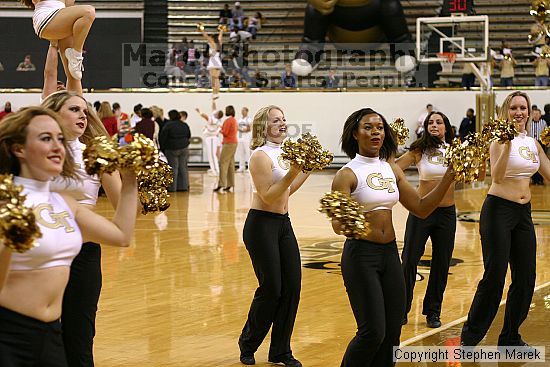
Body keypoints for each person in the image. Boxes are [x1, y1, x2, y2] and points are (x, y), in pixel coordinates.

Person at [0, 106, 136, 367]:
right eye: (45, 138)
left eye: (60, 139)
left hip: (50, 335)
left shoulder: (63, 202)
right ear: (19, 149)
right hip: (8, 334)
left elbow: (121, 236)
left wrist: (129, 181)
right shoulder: (6, 200)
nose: (58, 146)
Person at [330, 108, 454, 366]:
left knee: (393, 332)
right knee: (372, 333)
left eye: (379, 127)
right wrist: (346, 217)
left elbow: (420, 207)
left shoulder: (391, 169)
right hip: (361, 256)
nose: (375, 132)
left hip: (389, 255)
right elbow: (337, 226)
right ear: (354, 133)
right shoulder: (346, 174)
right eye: (368, 127)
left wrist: (448, 177)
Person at [461, 91, 550, 347]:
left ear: (530, 112)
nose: (519, 112)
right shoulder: (498, 141)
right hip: (498, 210)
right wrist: (509, 141)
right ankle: (470, 339)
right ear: (505, 112)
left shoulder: (534, 144)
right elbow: (497, 177)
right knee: (495, 276)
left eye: (523, 107)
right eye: (514, 108)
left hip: (524, 213)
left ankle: (510, 336)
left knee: (526, 278)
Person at [41, 90, 123, 367]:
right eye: (75, 109)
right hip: (41, 252)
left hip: (83, 252)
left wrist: (138, 182)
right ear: (53, 113)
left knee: (80, 332)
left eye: (85, 111)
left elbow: (124, 211)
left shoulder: (96, 154)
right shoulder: (34, 150)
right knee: (41, 330)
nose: (84, 116)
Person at [238, 105, 312, 367]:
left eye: (284, 119)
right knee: (271, 289)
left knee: (292, 288)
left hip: (283, 223)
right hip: (261, 226)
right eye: (276, 120)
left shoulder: (284, 152)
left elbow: (286, 191)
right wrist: (294, 170)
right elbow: (268, 195)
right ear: (263, 126)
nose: (282, 124)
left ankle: (280, 351)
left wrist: (307, 168)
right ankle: (248, 343)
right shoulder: (260, 155)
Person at [396, 111, 458, 328]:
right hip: (421, 211)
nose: (434, 125)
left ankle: (433, 312)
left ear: (446, 127)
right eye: (430, 122)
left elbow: (476, 176)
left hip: (447, 213)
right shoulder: (418, 150)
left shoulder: (455, 150)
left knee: (441, 264)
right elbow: (395, 169)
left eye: (439, 122)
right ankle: (401, 310)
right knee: (409, 260)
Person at [21, 0, 96, 81]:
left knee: (73, 77)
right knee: (89, 11)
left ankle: (75, 57)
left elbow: (68, 8)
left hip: (61, 21)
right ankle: (76, 54)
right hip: (46, 18)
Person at [159, 110, 191, 192]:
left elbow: (163, 137)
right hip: (184, 147)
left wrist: (163, 147)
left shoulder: (168, 125)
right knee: (183, 167)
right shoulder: (184, 125)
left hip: (172, 148)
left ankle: (172, 188)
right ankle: (183, 186)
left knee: (173, 167)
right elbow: (188, 135)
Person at [214, 105, 238, 192]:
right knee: (231, 164)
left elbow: (225, 133)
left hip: (228, 143)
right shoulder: (234, 120)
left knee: (223, 163)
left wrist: (219, 129)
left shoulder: (228, 120)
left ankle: (221, 184)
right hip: (234, 142)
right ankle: (230, 184)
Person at [196, 101, 223, 176]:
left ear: (217, 115)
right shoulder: (216, 118)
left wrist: (199, 112)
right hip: (213, 138)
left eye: (216, 112)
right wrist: (213, 100)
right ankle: (215, 169)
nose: (215, 112)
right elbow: (214, 108)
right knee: (214, 154)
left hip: (211, 138)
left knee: (212, 155)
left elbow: (205, 116)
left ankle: (216, 171)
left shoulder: (214, 119)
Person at [201, 27, 225, 100]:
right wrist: (221, 30)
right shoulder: (219, 43)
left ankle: (214, 93)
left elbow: (206, 37)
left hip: (213, 61)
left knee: (213, 78)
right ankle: (217, 92)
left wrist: (202, 30)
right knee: (216, 78)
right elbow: (220, 36)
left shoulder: (212, 43)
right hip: (217, 60)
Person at [527, 107, 547, 185]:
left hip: (541, 143)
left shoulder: (543, 122)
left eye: (537, 114)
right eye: (534, 114)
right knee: (533, 160)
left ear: (540, 115)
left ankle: (540, 179)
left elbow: (545, 133)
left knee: (541, 161)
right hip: (531, 142)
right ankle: (534, 179)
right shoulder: (529, 123)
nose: (535, 116)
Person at [236, 107, 252, 172]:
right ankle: (241, 167)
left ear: (247, 111)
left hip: (246, 138)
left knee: (248, 153)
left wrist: (242, 129)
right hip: (240, 138)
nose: (242, 112)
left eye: (244, 111)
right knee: (241, 153)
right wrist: (241, 129)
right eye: (242, 110)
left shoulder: (249, 119)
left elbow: (249, 129)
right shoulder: (239, 120)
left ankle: (249, 167)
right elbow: (237, 128)